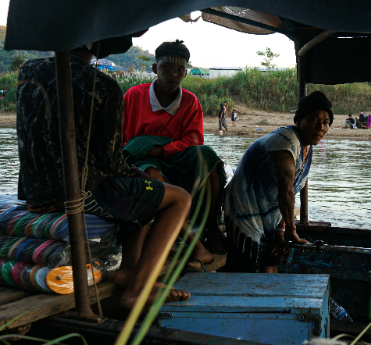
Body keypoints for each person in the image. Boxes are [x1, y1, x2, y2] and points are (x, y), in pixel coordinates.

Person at [17, 45, 192, 308]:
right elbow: (112, 160)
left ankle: (129, 269)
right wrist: (140, 174)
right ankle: (139, 288)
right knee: (178, 197)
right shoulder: (103, 85)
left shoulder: (29, 70)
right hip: (80, 192)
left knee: (143, 190)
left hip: (33, 191)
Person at [122, 40, 227, 265]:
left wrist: (162, 150)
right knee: (153, 176)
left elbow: (194, 140)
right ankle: (194, 245)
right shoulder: (134, 95)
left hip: (173, 157)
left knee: (208, 157)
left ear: (185, 73)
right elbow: (123, 138)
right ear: (154, 68)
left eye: (179, 69)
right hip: (142, 160)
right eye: (166, 68)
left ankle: (211, 226)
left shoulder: (190, 102)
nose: (173, 74)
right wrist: (139, 153)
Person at [223, 91, 332, 273]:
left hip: (270, 216)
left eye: (326, 122)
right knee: (244, 273)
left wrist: (281, 230)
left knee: (270, 263)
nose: (321, 126)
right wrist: (291, 230)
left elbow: (292, 192)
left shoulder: (307, 147)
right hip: (245, 212)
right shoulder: (286, 141)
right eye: (314, 119)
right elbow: (286, 190)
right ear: (299, 120)